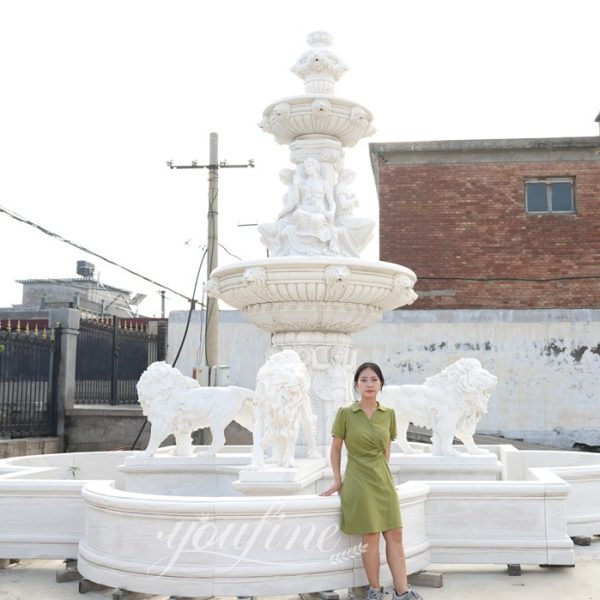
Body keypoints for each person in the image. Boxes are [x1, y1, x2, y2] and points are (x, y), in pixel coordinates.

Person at [320, 363, 423, 600]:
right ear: (356, 384)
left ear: (380, 384)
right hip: (357, 480)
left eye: (374, 379)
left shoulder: (389, 414)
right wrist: (338, 480)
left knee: (395, 534)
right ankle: (375, 590)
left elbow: (386, 447)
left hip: (383, 480)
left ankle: (402, 591)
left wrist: (382, 473)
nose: (369, 384)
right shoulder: (345, 413)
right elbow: (336, 449)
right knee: (371, 536)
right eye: (364, 379)